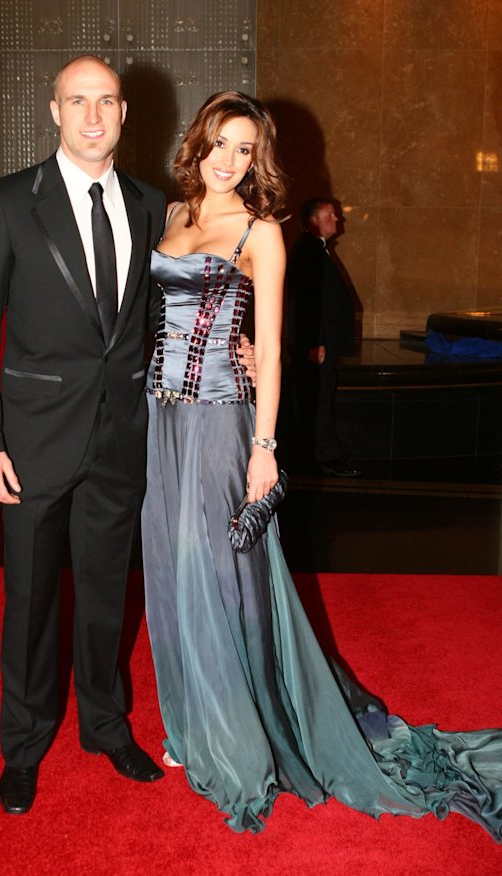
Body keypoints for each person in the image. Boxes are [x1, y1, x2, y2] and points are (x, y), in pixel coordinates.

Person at [141, 92, 502, 839]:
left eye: (246, 149)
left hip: (218, 423)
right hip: (161, 417)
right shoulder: (174, 217)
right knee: (172, 572)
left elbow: (268, 349)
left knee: (221, 576)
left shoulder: (262, 232)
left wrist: (264, 450)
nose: (230, 161)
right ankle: (191, 715)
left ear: (257, 159)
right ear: (198, 143)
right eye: (220, 143)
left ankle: (238, 736)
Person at [0, 55, 169, 816]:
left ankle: (106, 727)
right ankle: (23, 746)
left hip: (120, 439)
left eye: (105, 101)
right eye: (76, 100)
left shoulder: (150, 203)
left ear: (122, 113)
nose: (91, 115)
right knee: (30, 604)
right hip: (32, 442)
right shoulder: (11, 202)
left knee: (106, 597)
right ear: (53, 111)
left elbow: (148, 321)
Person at [287, 198, 360, 477]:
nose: (337, 220)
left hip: (320, 344)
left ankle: (314, 456)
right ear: (314, 220)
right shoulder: (309, 252)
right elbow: (304, 303)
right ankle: (325, 457)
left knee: (315, 401)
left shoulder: (314, 250)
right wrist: (312, 343)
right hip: (316, 346)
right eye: (331, 215)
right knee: (317, 403)